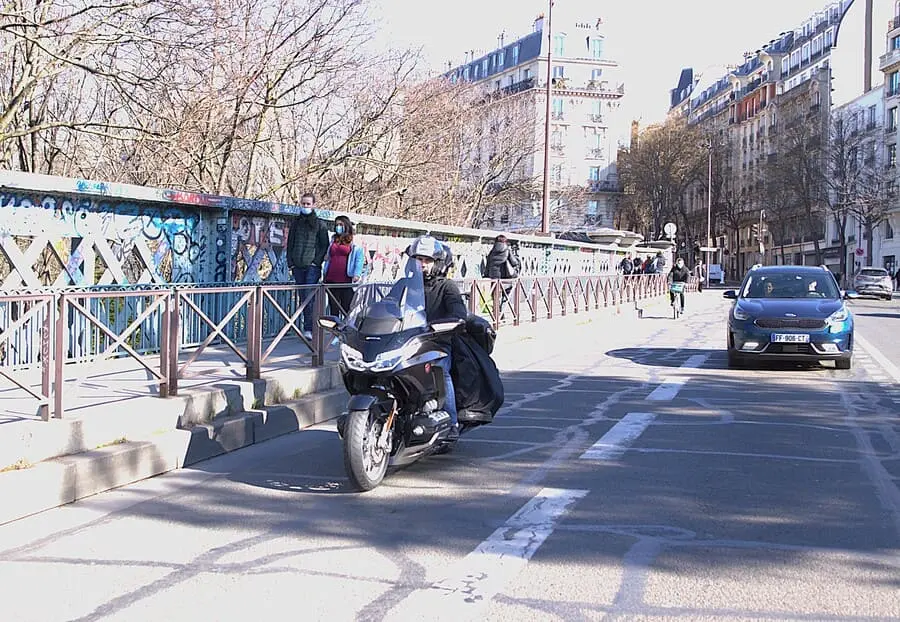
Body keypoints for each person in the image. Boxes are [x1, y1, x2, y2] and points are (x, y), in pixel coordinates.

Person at [408, 235, 468, 441]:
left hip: (437, 342)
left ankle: (452, 423)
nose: (422, 264)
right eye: (418, 259)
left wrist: (451, 322)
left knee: (440, 371)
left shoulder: (446, 286)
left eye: (427, 260)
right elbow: (388, 305)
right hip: (407, 342)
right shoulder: (406, 285)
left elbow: (459, 312)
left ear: (437, 263)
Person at [287, 193, 329, 338]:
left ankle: (310, 328)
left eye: (308, 204)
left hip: (312, 266)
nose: (305, 206)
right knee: (302, 296)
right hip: (297, 265)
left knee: (309, 296)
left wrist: (316, 262)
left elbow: (324, 246)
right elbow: (290, 243)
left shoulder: (320, 224)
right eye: (303, 204)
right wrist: (291, 263)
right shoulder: (296, 223)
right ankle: (308, 327)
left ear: (313, 205)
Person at [322, 215, 365, 319]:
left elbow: (359, 258)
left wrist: (357, 273)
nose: (338, 227)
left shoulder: (353, 240)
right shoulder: (333, 239)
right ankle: (335, 333)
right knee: (334, 308)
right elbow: (328, 254)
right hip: (331, 278)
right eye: (336, 225)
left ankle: (347, 331)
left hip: (345, 278)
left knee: (347, 307)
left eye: (341, 225)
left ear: (346, 225)